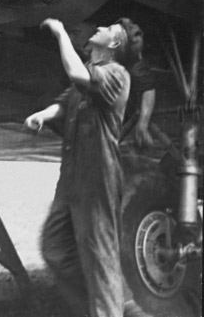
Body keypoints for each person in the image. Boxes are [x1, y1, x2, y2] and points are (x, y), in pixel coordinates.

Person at [24, 18, 142, 317]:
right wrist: (43, 114)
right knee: (55, 248)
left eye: (109, 29)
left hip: (98, 179)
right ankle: (112, 307)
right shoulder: (90, 77)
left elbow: (76, 75)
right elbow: (66, 102)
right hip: (72, 177)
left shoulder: (116, 75)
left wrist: (62, 32)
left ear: (114, 45)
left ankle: (109, 307)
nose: (101, 28)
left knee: (99, 259)